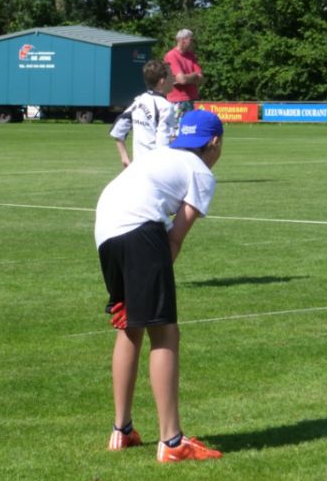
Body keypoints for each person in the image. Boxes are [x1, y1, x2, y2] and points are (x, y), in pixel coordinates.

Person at [94, 110, 224, 463]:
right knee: (164, 330)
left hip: (106, 228)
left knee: (130, 326)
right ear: (214, 142)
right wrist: (152, 283)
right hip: (139, 230)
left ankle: (122, 430)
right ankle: (172, 442)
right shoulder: (200, 171)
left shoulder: (160, 155)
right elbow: (174, 239)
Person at [108, 60, 176, 167]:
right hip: (157, 167)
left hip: (139, 167)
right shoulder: (165, 107)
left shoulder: (139, 101)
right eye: (171, 76)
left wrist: (124, 157)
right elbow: (163, 145)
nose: (174, 79)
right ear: (162, 81)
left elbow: (118, 128)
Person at [163, 29, 204, 122]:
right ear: (183, 40)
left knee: (191, 128)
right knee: (178, 129)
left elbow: (201, 78)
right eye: (191, 40)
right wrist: (194, 75)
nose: (193, 43)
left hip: (192, 99)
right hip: (177, 101)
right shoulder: (171, 56)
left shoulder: (191, 55)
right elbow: (182, 80)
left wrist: (187, 77)